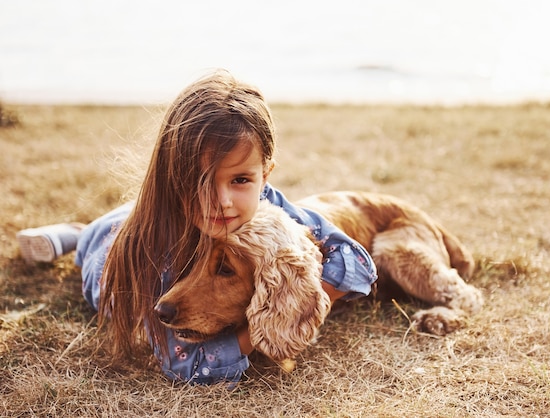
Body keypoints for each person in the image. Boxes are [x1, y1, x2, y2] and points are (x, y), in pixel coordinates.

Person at [16, 69, 377, 386]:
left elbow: (356, 261)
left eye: (239, 179)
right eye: (200, 181)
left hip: (145, 215)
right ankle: (74, 234)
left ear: (264, 174)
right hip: (106, 244)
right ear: (173, 179)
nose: (221, 201)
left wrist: (286, 308)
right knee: (92, 240)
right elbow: (186, 365)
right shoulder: (152, 251)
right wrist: (259, 331)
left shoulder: (267, 203)